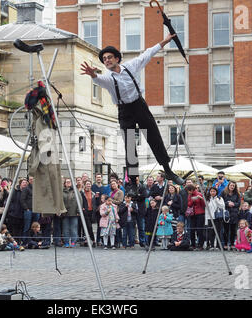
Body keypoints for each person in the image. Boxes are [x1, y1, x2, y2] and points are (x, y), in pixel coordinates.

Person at [80, 33, 184, 191]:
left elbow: (148, 53)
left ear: (117, 58)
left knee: (154, 136)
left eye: (109, 57)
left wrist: (166, 40)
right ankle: (133, 182)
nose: (106, 60)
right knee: (130, 145)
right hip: (124, 111)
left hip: (139, 105)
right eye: (104, 59)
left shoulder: (131, 66)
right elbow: (98, 79)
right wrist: (93, 74)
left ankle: (168, 170)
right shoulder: (108, 78)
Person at [221, 181, 241, 251]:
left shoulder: (237, 194)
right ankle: (225, 244)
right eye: (231, 185)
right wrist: (227, 203)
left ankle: (232, 244)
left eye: (233, 186)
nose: (232, 187)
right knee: (225, 230)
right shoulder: (224, 193)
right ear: (228, 185)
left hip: (234, 214)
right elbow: (221, 202)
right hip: (226, 213)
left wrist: (233, 204)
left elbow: (238, 203)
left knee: (233, 230)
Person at [62, 178, 81, 248]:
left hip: (74, 213)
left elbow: (80, 201)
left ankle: (73, 242)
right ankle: (66, 242)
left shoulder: (75, 191)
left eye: (69, 182)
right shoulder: (62, 191)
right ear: (65, 183)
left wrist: (79, 211)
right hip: (65, 213)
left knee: (74, 228)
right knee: (65, 229)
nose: (68, 183)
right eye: (67, 182)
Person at [185, 184, 205, 250]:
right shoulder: (189, 195)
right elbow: (189, 205)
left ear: (192, 190)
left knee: (200, 230)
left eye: (189, 191)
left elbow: (204, 204)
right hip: (192, 214)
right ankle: (193, 244)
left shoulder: (199, 194)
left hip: (200, 213)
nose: (188, 192)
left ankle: (200, 245)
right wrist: (191, 200)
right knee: (192, 230)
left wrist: (200, 198)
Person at [20, 176, 39, 246]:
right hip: (29, 210)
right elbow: (22, 200)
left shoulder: (37, 188)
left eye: (33, 179)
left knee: (35, 227)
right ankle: (25, 241)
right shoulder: (26, 189)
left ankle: (34, 241)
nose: (32, 180)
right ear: (29, 181)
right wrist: (26, 208)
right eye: (30, 179)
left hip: (36, 210)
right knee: (27, 226)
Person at [81, 180, 97, 247]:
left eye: (89, 184)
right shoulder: (82, 193)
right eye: (87, 184)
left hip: (92, 211)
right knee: (88, 226)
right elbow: (80, 201)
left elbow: (95, 202)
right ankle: (92, 240)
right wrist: (82, 207)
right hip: (85, 211)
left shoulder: (93, 193)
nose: (88, 185)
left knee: (89, 227)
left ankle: (89, 240)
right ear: (85, 185)